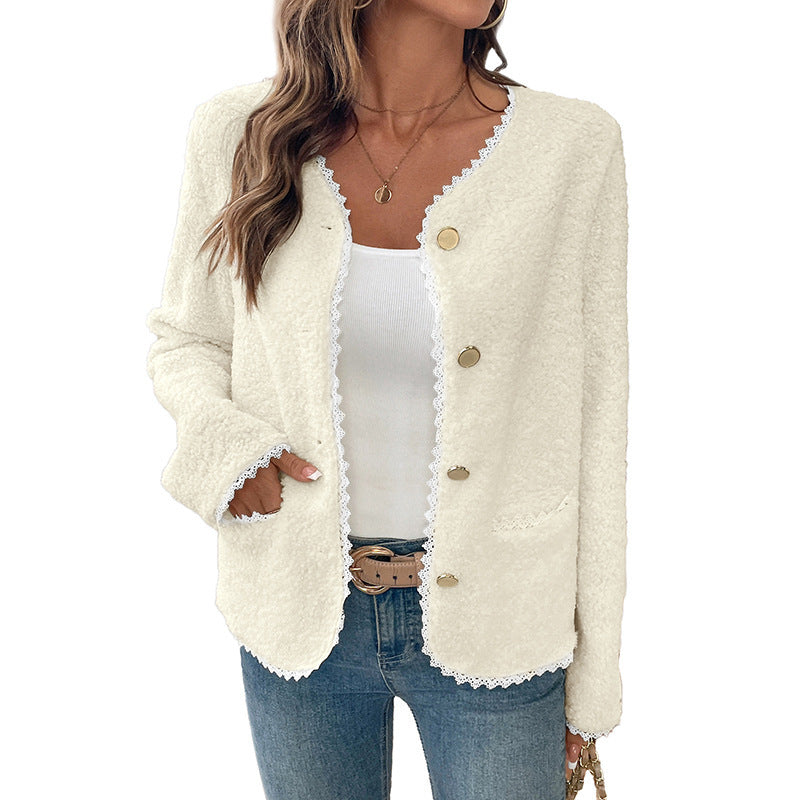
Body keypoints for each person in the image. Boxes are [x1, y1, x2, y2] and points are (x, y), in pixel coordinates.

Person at [145, 0, 629, 797]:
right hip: (298, 608)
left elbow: (598, 413)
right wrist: (229, 453)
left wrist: (596, 675)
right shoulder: (238, 132)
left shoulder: (573, 147)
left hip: (504, 617)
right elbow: (187, 338)